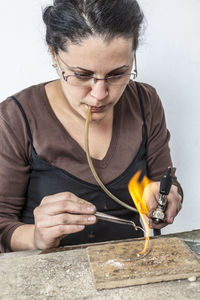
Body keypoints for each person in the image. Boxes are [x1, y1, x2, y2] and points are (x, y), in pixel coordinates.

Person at [0, 0, 183, 253]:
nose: (99, 95)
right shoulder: (14, 118)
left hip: (135, 269)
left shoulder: (145, 102)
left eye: (117, 74)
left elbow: (165, 181)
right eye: (82, 75)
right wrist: (36, 238)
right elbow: (2, 225)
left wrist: (168, 197)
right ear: (54, 54)